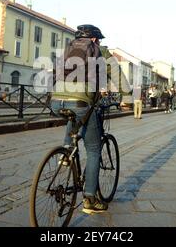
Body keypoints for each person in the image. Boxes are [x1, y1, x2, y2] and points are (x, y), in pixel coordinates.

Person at [51, 24, 108, 214]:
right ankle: (90, 199)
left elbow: (54, 72)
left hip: (56, 100)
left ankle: (66, 154)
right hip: (80, 101)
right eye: (98, 39)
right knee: (93, 149)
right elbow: (100, 76)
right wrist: (104, 89)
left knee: (73, 116)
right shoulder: (95, 50)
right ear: (93, 39)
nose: (99, 42)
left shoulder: (66, 49)